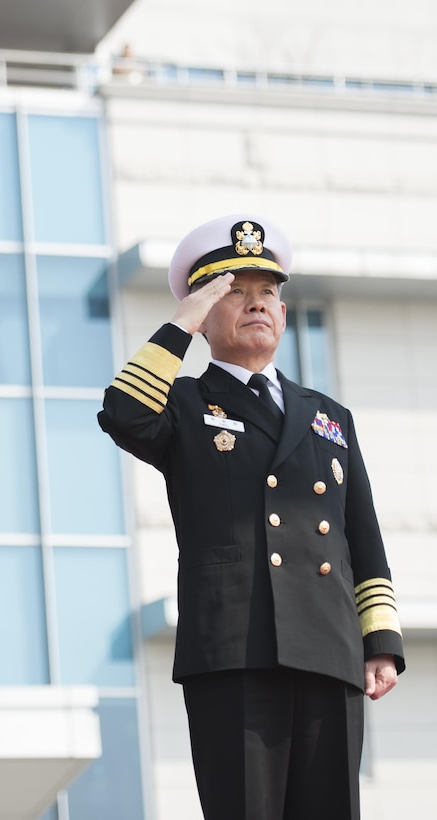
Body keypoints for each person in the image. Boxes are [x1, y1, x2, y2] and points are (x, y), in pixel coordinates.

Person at [97, 214, 404, 820]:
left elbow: (362, 540)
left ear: (285, 316)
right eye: (234, 292)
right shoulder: (184, 402)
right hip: (234, 649)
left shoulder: (329, 417)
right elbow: (123, 414)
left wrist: (381, 641)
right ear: (205, 315)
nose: (256, 304)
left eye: (268, 294)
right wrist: (184, 316)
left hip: (328, 647)